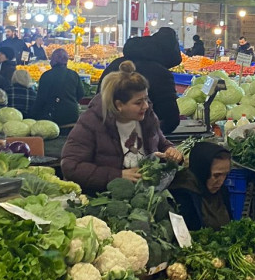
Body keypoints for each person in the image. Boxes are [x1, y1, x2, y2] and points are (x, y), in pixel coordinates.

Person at [60, 61, 183, 192]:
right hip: (106, 196)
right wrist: (117, 176)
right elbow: (71, 166)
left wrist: (170, 150)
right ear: (119, 105)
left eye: (146, 99)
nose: (146, 106)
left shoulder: (147, 117)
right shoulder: (92, 122)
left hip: (146, 194)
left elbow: (160, 142)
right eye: (138, 102)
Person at [100, 26, 182, 133]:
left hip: (104, 133)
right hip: (139, 140)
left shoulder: (115, 64)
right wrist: (153, 140)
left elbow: (98, 102)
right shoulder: (160, 74)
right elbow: (170, 119)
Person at [170, 141, 234, 230]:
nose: (221, 181)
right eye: (216, 175)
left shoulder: (222, 191)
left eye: (226, 174)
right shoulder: (182, 195)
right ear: (202, 171)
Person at [34, 48, 87, 127]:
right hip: (72, 115)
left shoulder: (46, 76)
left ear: (52, 61)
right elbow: (81, 94)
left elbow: (41, 99)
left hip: (52, 116)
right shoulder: (73, 74)